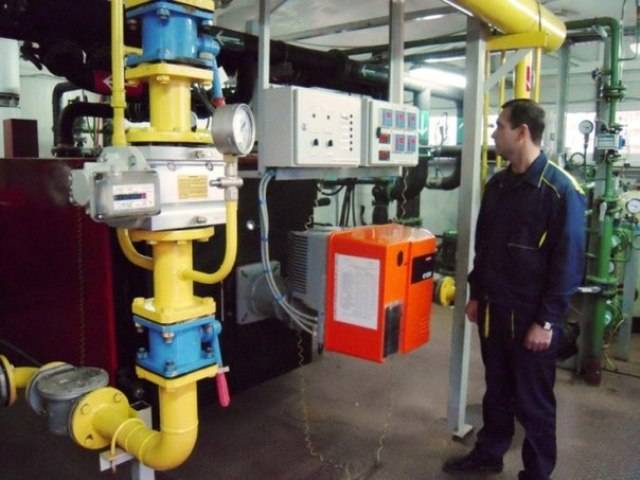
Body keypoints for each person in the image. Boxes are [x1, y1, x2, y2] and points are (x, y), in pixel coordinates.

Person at [442, 99, 586, 480]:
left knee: (534, 402)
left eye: (499, 126)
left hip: (531, 319)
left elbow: (568, 265)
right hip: (494, 311)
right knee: (497, 391)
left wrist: (547, 321)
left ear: (522, 132)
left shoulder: (560, 191)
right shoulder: (498, 185)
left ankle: (537, 473)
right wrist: (476, 293)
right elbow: (485, 247)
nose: (494, 134)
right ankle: (489, 454)